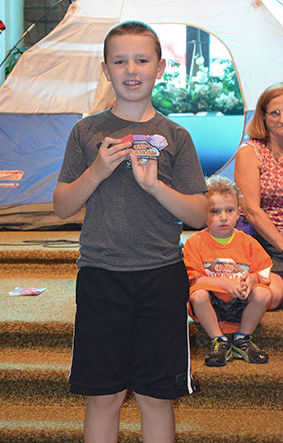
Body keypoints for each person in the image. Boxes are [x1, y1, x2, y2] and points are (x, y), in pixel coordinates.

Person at [53, 21, 207, 443]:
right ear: (106, 70)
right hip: (101, 276)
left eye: (142, 60)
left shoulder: (177, 136)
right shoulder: (86, 132)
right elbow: (63, 206)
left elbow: (199, 215)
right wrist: (97, 172)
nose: (131, 69)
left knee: (157, 397)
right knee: (103, 395)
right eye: (120, 61)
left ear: (160, 67)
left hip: (161, 277)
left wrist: (156, 186)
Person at [183, 176, 273, 367]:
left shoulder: (249, 243)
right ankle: (219, 341)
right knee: (198, 295)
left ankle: (242, 339)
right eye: (215, 211)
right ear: (203, 213)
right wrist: (224, 283)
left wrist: (251, 279)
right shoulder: (195, 243)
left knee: (264, 293)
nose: (223, 217)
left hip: (240, 303)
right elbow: (193, 280)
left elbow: (264, 271)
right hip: (210, 305)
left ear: (239, 212)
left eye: (229, 210)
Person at [235, 82, 283, 309]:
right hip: (267, 241)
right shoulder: (250, 152)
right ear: (263, 117)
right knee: (272, 297)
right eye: (275, 113)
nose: (282, 118)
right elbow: (252, 211)